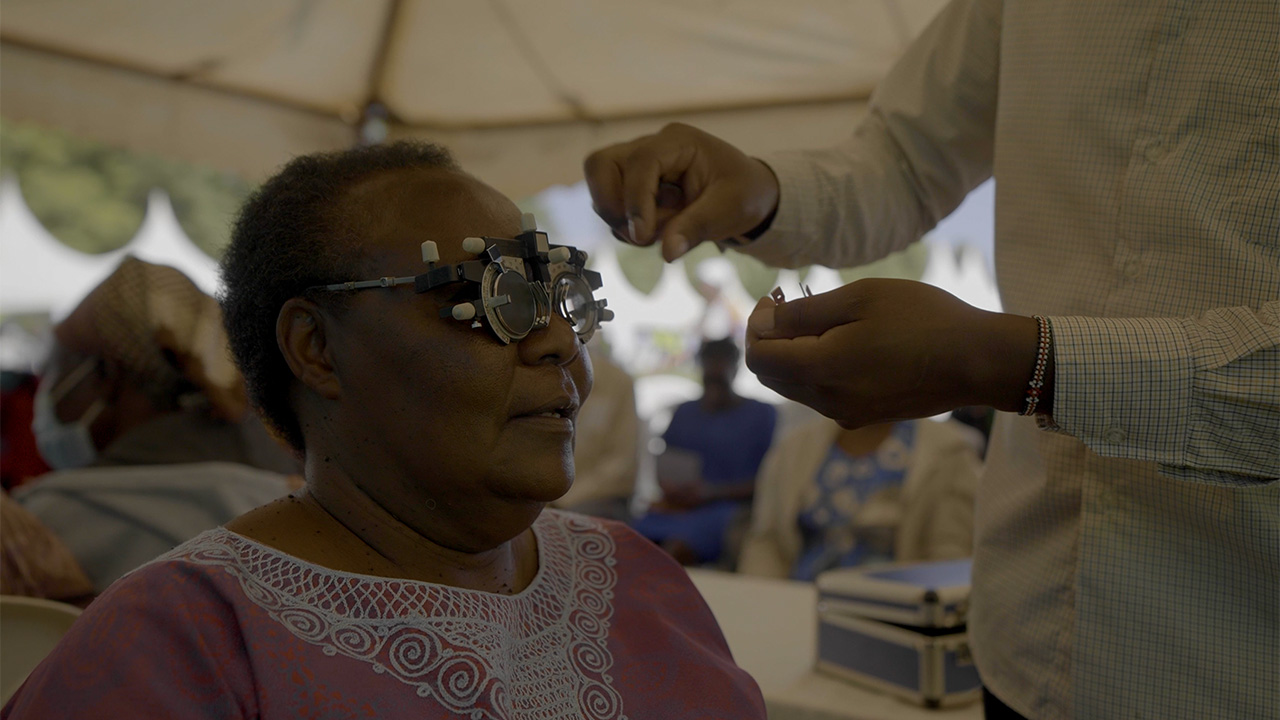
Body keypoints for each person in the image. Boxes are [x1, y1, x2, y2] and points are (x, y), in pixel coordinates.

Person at [583, 2, 1278, 718]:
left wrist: (1010, 361)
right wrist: (765, 195)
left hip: (1229, 659)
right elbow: (903, 161)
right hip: (1020, 639)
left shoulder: (936, 457)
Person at [2, 141, 766, 719]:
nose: (557, 340)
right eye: (494, 296)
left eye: (559, 295)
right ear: (316, 348)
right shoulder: (179, 647)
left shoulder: (636, 580)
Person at [14, 257, 299, 593]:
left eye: (53, 371)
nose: (46, 394)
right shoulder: (301, 493)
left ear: (105, 376)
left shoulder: (39, 528)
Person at [739, 417, 980, 581]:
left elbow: (950, 560)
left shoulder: (948, 450)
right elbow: (766, 542)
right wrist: (765, 608)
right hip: (794, 610)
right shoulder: (795, 446)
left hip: (894, 622)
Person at [632, 338, 776, 566]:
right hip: (679, 508)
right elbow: (666, 465)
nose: (713, 386)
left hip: (727, 511)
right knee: (629, 540)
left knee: (674, 551)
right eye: (709, 377)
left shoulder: (762, 415)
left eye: (719, 379)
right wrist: (672, 490)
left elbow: (770, 481)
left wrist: (712, 493)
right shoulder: (685, 413)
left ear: (736, 368)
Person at [550, 340, 641, 521]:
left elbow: (621, 464)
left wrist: (563, 500)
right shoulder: (539, 377)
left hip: (594, 500)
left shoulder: (617, 382)